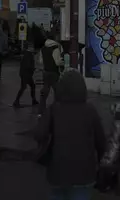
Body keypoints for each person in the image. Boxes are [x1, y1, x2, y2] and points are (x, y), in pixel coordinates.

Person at [35, 70, 106, 200]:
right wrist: (103, 165)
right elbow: (101, 142)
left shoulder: (54, 109)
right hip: (84, 172)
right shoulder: (90, 110)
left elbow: (39, 134)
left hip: (58, 170)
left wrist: (42, 112)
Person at [39, 32, 64, 115]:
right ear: (54, 39)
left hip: (46, 72)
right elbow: (57, 62)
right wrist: (62, 61)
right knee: (57, 92)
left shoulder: (42, 48)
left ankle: (41, 111)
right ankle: (57, 110)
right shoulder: (55, 48)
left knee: (44, 93)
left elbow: (40, 61)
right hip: (54, 73)